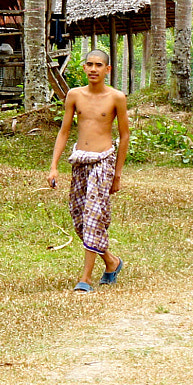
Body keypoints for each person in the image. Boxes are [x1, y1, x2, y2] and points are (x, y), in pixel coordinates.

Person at [47, 49, 129, 292]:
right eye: (89, 64)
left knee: (93, 217)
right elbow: (64, 131)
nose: (93, 69)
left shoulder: (116, 97)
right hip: (80, 161)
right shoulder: (74, 95)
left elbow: (124, 136)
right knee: (81, 220)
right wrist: (53, 167)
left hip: (103, 162)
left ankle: (85, 278)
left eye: (99, 65)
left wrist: (117, 174)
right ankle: (112, 262)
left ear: (108, 70)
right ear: (84, 67)